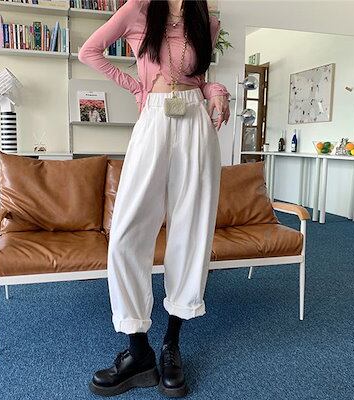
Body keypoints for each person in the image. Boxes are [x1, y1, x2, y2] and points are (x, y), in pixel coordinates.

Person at [78, 0, 230, 397]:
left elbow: (198, 78)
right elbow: (89, 51)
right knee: (126, 234)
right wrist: (137, 86)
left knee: (190, 233)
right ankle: (138, 350)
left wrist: (216, 90)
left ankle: (171, 345)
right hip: (154, 121)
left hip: (196, 125)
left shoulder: (206, 20)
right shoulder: (138, 9)